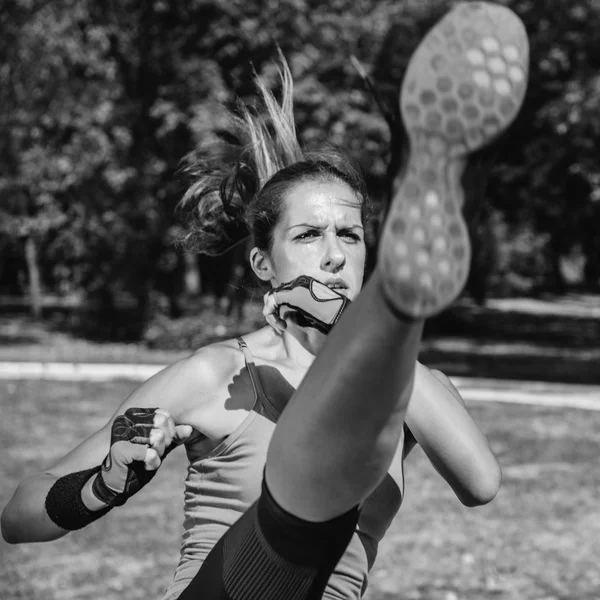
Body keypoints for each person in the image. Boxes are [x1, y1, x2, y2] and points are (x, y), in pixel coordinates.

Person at [1, 3, 529, 599]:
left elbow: (481, 483)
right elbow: (18, 517)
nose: (334, 255)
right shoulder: (217, 372)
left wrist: (365, 340)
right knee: (320, 469)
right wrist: (102, 484)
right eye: (308, 236)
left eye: (349, 236)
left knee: (348, 427)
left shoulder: (408, 384)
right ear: (262, 263)